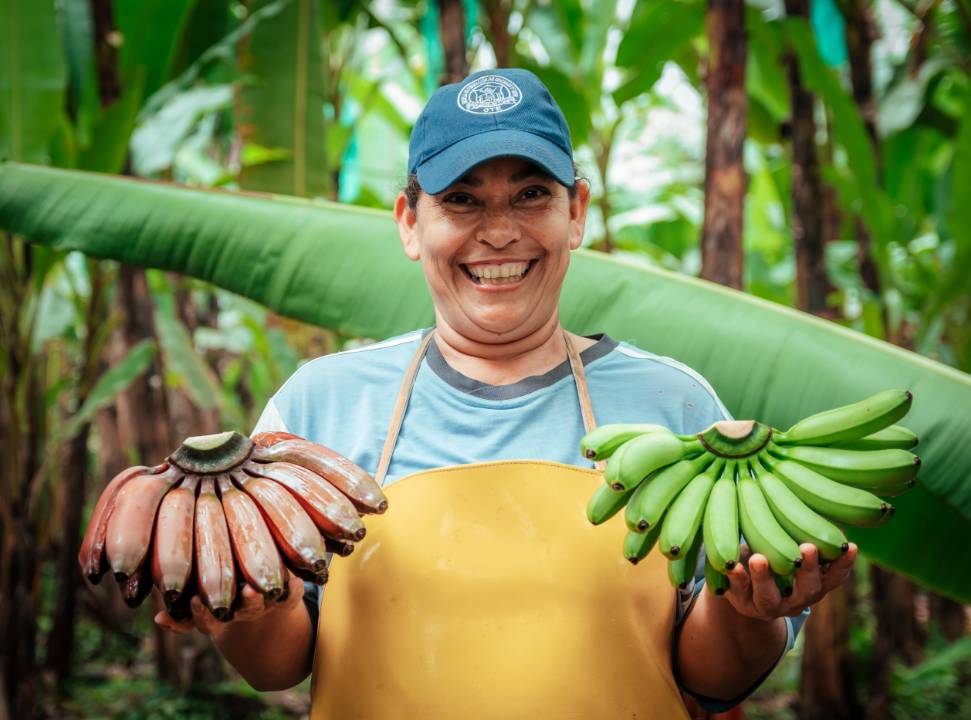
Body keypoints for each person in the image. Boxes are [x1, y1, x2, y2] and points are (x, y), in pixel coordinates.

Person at [156, 68, 856, 718]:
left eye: (531, 195)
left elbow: (709, 677)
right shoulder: (320, 407)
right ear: (409, 222)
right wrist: (240, 615)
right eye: (461, 200)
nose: (498, 231)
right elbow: (280, 666)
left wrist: (745, 613)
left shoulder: (674, 408)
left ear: (575, 212)